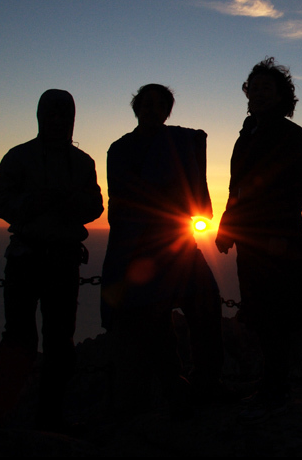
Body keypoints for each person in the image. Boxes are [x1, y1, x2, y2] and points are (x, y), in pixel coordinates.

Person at [101, 84, 223, 417]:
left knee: (207, 304)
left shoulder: (184, 143)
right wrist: (168, 197)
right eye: (147, 103)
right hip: (141, 250)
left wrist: (165, 198)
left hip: (181, 246)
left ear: (168, 111)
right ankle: (173, 387)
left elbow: (196, 200)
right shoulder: (121, 149)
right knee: (153, 322)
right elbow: (124, 196)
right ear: (136, 107)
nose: (154, 110)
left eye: (161, 105)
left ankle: (205, 383)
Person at [0, 89, 104, 430]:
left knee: (59, 340)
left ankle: (48, 418)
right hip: (27, 256)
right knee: (19, 338)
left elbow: (95, 207)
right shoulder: (19, 157)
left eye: (62, 115)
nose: (56, 121)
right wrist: (30, 203)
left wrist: (70, 203)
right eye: (50, 114)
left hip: (63, 260)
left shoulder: (82, 163)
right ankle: (1, 417)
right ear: (40, 117)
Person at [215, 57, 302, 419]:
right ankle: (269, 384)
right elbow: (235, 188)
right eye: (254, 88)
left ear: (280, 94)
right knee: (258, 309)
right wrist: (227, 226)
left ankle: (276, 388)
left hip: (277, 240)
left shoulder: (289, 134)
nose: (259, 93)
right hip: (252, 239)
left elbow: (295, 189)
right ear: (247, 95)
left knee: (278, 313)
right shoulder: (246, 136)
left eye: (267, 87)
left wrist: (278, 235)